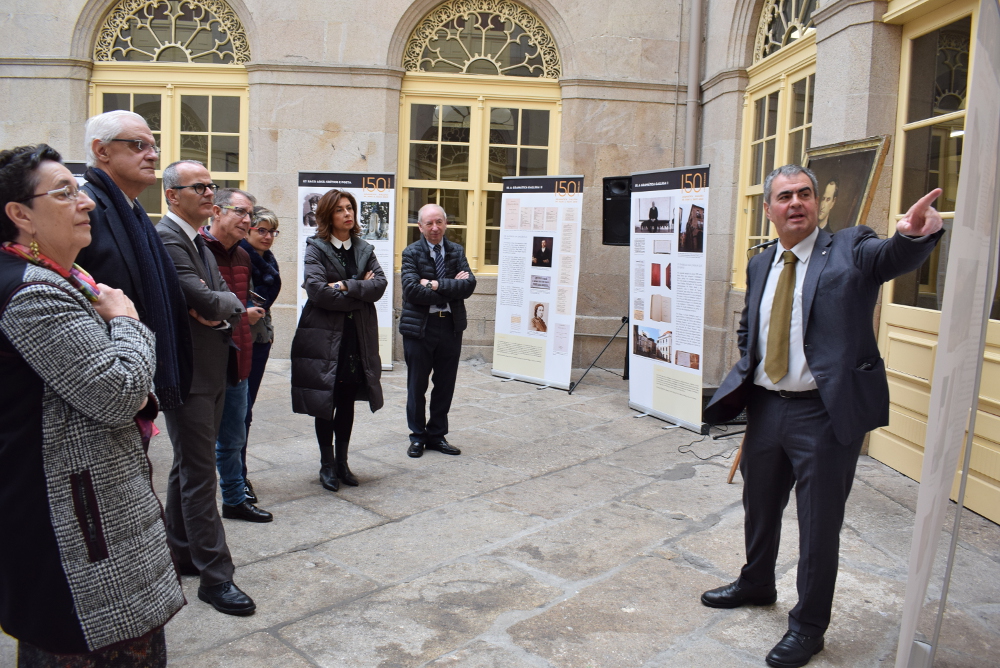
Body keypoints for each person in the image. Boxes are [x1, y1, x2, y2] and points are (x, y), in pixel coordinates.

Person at [701, 164, 943, 668]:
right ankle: (757, 582)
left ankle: (808, 626)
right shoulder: (761, 263)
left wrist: (914, 236)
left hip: (824, 414)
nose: (796, 202)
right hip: (767, 407)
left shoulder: (851, 248)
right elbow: (750, 327)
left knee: (818, 524)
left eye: (805, 193)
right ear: (768, 209)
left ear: (817, 203)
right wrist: (749, 370)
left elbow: (891, 256)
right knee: (759, 505)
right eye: (785, 196)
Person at [0, 144, 184, 664]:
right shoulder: (33, 293)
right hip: (78, 525)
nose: (85, 203)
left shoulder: (60, 278)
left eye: (79, 190)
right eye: (64, 193)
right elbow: (119, 393)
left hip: (91, 506)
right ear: (20, 215)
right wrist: (126, 319)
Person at [157, 160, 257, 616]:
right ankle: (216, 578)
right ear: (172, 195)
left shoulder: (196, 240)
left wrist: (219, 304)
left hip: (213, 367)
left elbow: (219, 297)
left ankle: (182, 552)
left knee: (187, 466)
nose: (209, 193)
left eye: (210, 185)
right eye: (198, 187)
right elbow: (205, 298)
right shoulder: (168, 238)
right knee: (200, 475)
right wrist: (221, 304)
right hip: (190, 372)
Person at [75, 109, 192, 410]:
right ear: (102, 151)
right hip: (105, 385)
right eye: (138, 145)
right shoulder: (84, 210)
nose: (153, 155)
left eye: (153, 146)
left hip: (139, 376)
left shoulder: (133, 212)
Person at [290, 190, 386, 491]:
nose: (348, 214)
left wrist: (344, 285)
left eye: (350, 208)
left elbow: (380, 285)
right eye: (340, 209)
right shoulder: (315, 248)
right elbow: (318, 292)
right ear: (328, 215)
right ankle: (327, 464)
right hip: (324, 337)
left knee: (346, 400)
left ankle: (343, 462)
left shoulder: (363, 248)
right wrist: (359, 289)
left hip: (356, 337)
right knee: (325, 401)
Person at [201, 188, 272, 522]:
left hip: (238, 357)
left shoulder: (243, 256)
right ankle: (199, 512)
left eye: (250, 214)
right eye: (240, 212)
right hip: (205, 361)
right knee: (200, 445)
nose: (247, 220)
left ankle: (233, 499)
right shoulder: (198, 250)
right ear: (217, 211)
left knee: (234, 437)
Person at [399, 203, 476, 458]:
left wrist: (432, 284)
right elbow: (412, 291)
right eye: (429, 223)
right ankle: (417, 436)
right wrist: (451, 286)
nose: (435, 228)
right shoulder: (411, 253)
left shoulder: (456, 251)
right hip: (420, 328)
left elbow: (469, 286)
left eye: (439, 222)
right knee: (417, 385)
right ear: (420, 227)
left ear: (446, 224)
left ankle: (437, 435)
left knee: (445, 385)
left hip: (450, 327)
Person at [241, 206, 282, 464]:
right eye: (262, 230)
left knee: (248, 407)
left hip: (261, 338)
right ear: (248, 230)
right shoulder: (239, 256)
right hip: (240, 337)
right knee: (240, 410)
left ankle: (238, 468)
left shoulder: (269, 261)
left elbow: (266, 302)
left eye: (272, 232)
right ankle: (236, 471)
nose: (267, 237)